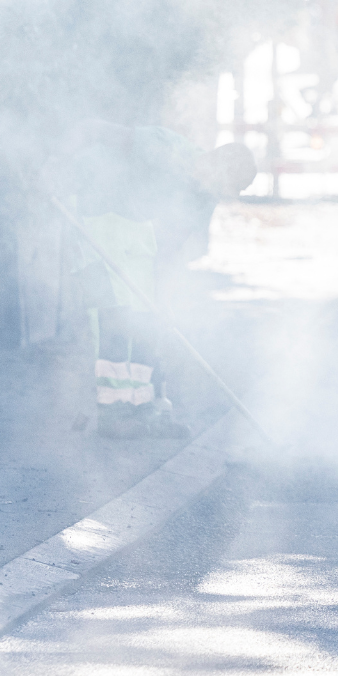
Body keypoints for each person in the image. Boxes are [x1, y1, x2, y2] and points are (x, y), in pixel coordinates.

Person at [60, 121, 256, 439]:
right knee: (115, 314)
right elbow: (101, 131)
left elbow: (175, 243)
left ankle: (146, 408)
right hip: (99, 213)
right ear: (216, 164)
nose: (220, 195)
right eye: (223, 185)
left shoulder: (205, 195)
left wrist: (164, 290)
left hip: (138, 231)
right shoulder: (167, 150)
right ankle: (113, 414)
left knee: (148, 316)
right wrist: (58, 170)